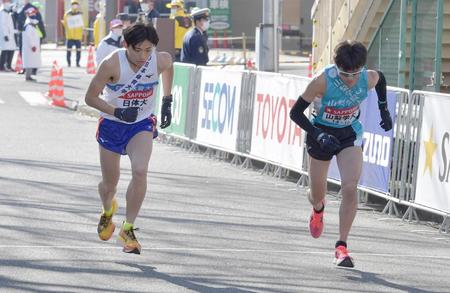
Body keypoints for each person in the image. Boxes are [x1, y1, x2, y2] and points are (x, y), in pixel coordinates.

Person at [289, 40, 393, 268]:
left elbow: (381, 79)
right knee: (317, 193)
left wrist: (383, 110)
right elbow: (295, 113)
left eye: (355, 73)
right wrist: (317, 134)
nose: (351, 79)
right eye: (345, 74)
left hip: (349, 134)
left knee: (349, 187)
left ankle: (341, 247)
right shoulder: (323, 81)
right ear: (337, 68)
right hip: (321, 135)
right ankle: (318, 208)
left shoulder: (368, 77)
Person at [84, 23, 174, 255]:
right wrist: (117, 112)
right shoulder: (113, 63)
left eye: (148, 50)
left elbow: (169, 65)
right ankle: (107, 212)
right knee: (109, 184)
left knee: (140, 170)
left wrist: (167, 100)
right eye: (138, 50)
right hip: (113, 125)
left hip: (140, 124)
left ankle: (128, 227)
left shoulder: (158, 60)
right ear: (126, 46)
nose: (143, 56)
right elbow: (90, 97)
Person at [62, 0, 85, 67]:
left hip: (78, 36)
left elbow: (82, 24)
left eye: (76, 4)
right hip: (70, 36)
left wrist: (82, 31)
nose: (75, 5)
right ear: (71, 5)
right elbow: (65, 24)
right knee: (69, 51)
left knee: (78, 51)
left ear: (78, 5)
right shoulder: (67, 14)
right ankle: (69, 63)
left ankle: (77, 63)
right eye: (73, 4)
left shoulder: (80, 14)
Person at [21, 7, 41, 81]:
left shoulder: (33, 24)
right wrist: (32, 45)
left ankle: (29, 76)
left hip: (32, 47)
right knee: (29, 62)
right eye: (33, 13)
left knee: (31, 62)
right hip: (30, 47)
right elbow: (29, 37)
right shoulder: (29, 25)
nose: (34, 14)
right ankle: (27, 76)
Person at [0, 0, 17, 72]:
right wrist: (6, 35)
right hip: (5, 36)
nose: (10, 4)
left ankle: (8, 65)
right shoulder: (2, 12)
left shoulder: (8, 13)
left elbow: (10, 25)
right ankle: (1, 66)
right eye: (8, 2)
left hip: (10, 35)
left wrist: (15, 32)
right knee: (5, 50)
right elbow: (3, 25)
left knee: (12, 49)